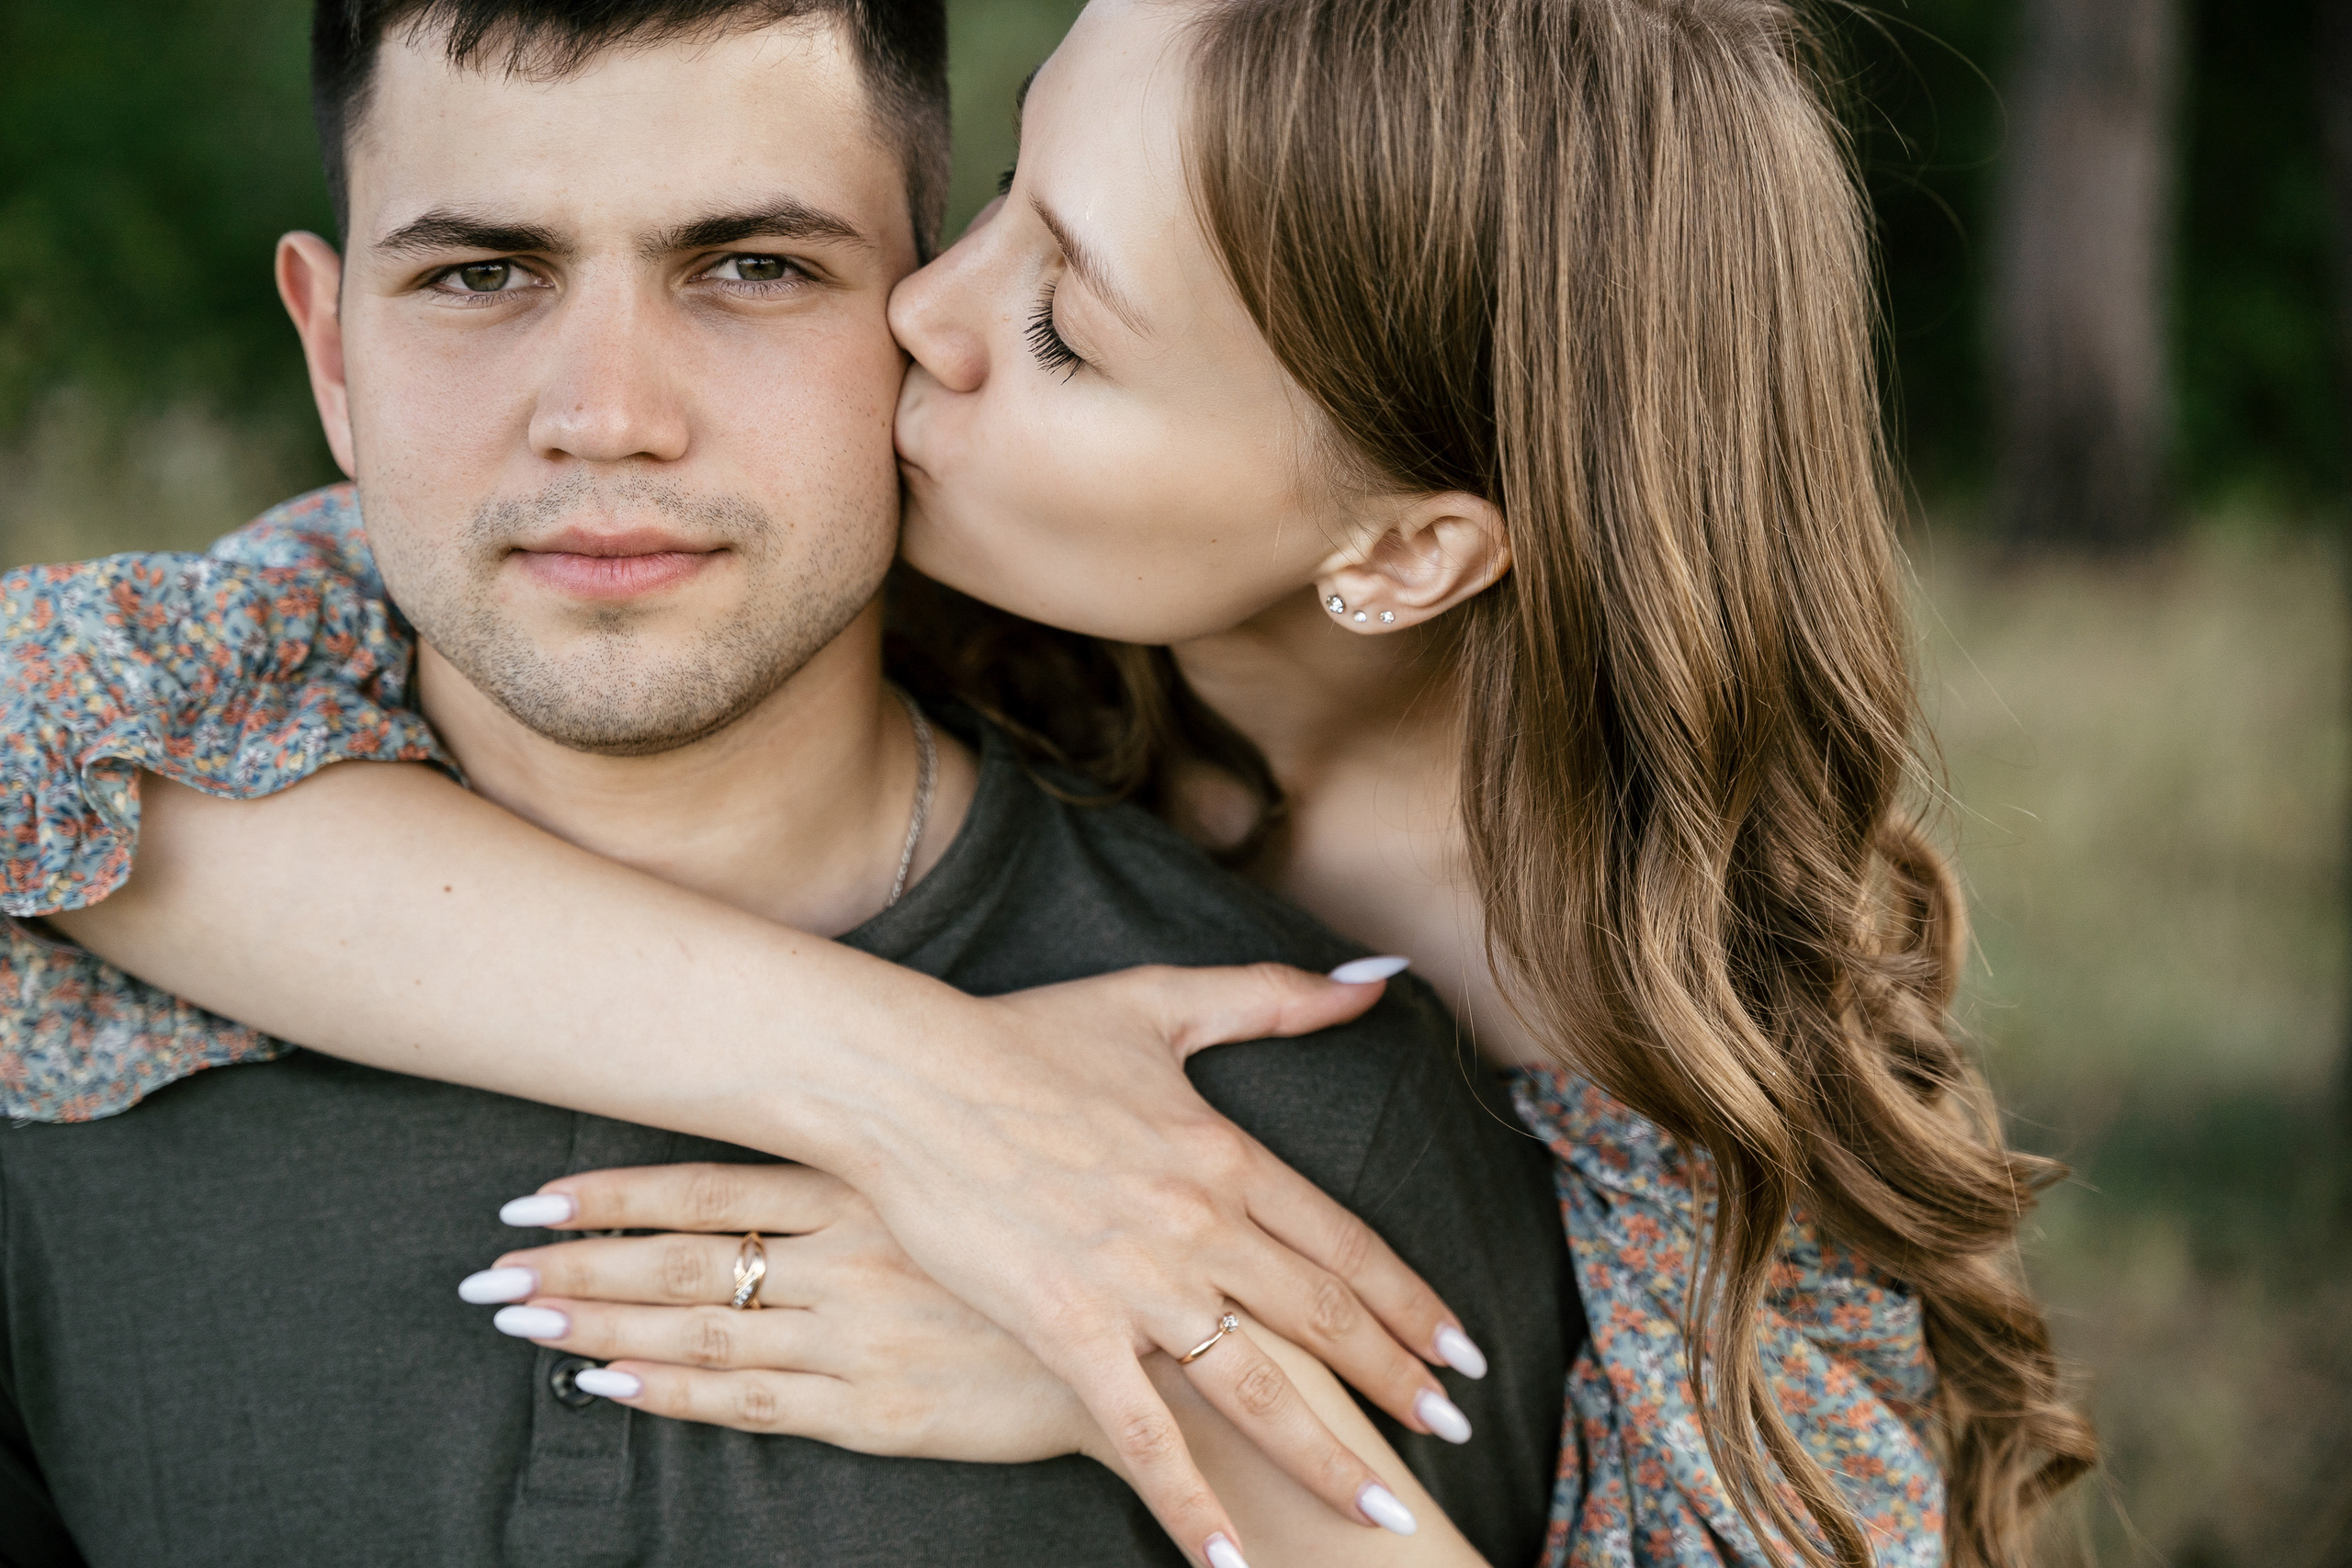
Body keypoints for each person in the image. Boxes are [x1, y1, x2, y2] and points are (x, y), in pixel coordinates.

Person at [0, 0, 2105, 1563]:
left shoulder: (1625, 1057)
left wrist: (1131, 1376)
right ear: (333, 342)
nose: (919, 307)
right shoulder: (859, 575)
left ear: (1395, 548)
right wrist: (925, 1091)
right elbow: (57, 740)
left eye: (1071, 327)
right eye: (1001, 191)